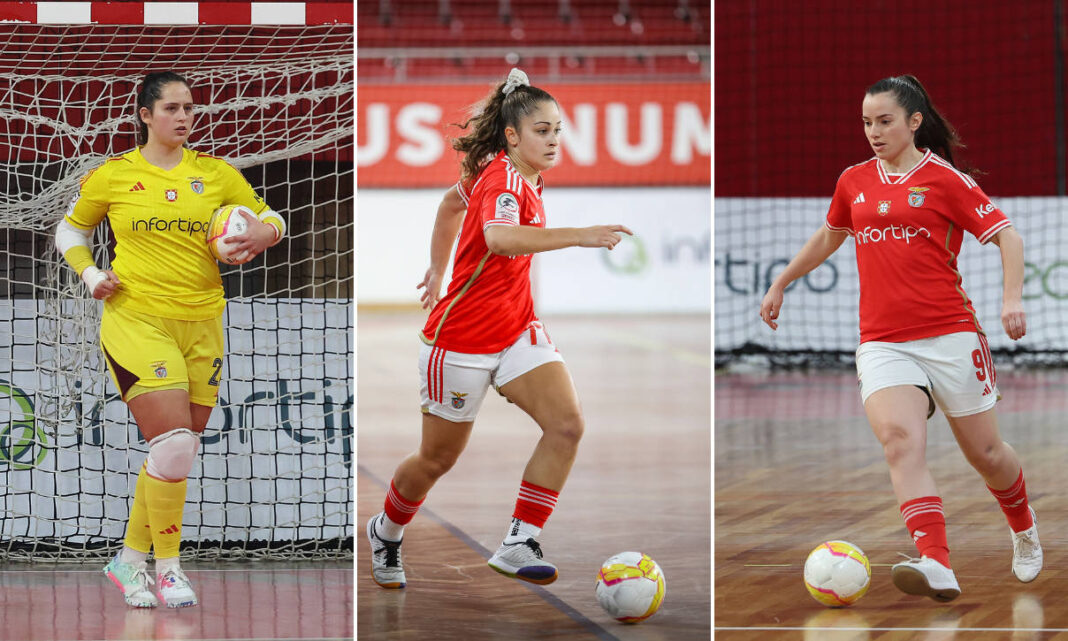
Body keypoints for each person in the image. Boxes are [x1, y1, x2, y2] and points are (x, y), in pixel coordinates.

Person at [759, 74, 1041, 602]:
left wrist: (1011, 300)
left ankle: (1023, 529)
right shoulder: (853, 180)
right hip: (884, 341)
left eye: (884, 120)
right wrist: (781, 282)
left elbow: (1008, 235)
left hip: (952, 334)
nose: (873, 131)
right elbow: (830, 235)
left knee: (987, 454)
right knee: (899, 443)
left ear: (914, 122)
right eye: (866, 122)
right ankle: (937, 562)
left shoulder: (944, 179)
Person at [366, 68, 632, 589]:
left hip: (516, 331)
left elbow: (448, 204)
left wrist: (437, 269)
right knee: (437, 459)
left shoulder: (516, 170)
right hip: (460, 342)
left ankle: (519, 540)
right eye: (542, 130)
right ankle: (385, 531)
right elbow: (501, 239)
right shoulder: (503, 181)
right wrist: (581, 235)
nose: (554, 140)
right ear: (513, 136)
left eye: (557, 129)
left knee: (567, 425)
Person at [54, 71, 286, 608]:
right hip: (136, 318)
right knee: (175, 444)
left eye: (189, 108)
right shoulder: (114, 176)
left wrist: (262, 232)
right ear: (145, 114)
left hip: (203, 322)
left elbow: (272, 216)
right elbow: (71, 230)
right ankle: (169, 568)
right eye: (172, 108)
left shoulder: (217, 175)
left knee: (176, 453)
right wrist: (91, 275)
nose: (183, 117)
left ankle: (128, 561)